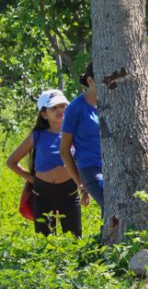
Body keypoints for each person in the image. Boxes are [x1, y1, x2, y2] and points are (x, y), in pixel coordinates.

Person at [7, 90, 88, 236]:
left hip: (69, 192)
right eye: (54, 108)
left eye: (62, 106)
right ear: (44, 114)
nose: (60, 110)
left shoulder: (76, 134)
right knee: (45, 238)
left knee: (75, 237)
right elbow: (11, 162)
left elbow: (85, 162)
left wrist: (84, 188)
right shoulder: (37, 135)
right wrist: (34, 180)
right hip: (42, 193)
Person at [61, 63, 103, 212]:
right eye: (102, 80)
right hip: (90, 169)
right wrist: (80, 183)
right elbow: (64, 150)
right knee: (111, 205)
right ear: (90, 81)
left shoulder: (111, 104)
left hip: (113, 167)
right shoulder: (75, 108)